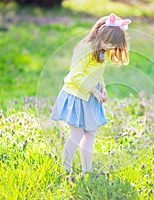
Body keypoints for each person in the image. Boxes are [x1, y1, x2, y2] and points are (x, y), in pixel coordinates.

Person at [50, 13, 131, 173]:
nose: (108, 48)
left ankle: (87, 171)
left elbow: (98, 73)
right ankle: (66, 170)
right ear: (99, 33)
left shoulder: (103, 51)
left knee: (90, 135)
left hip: (91, 97)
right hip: (77, 96)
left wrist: (103, 89)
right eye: (107, 43)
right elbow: (76, 76)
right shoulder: (85, 49)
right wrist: (94, 91)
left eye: (112, 46)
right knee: (77, 134)